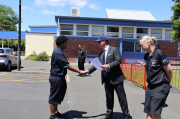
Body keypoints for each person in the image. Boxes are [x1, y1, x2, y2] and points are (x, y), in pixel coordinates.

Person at [85, 35, 131, 119]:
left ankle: (127, 116)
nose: (98, 43)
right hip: (107, 79)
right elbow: (96, 64)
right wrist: (87, 71)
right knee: (109, 98)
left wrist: (108, 65)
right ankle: (109, 114)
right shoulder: (101, 53)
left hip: (117, 79)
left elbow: (118, 60)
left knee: (122, 98)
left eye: (99, 41)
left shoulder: (114, 50)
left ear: (104, 41)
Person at [49, 36, 85, 119]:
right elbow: (67, 65)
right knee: (54, 96)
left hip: (60, 77)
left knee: (58, 96)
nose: (67, 44)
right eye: (66, 43)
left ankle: (56, 112)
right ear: (61, 43)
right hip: (56, 77)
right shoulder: (58, 52)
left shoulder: (60, 51)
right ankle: (52, 115)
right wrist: (79, 71)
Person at [139, 36, 172, 119]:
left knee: (155, 113)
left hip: (160, 86)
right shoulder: (146, 56)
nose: (141, 47)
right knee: (148, 112)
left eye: (142, 45)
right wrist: (145, 65)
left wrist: (168, 82)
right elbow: (152, 66)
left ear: (148, 43)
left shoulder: (159, 53)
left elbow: (169, 70)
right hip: (150, 87)